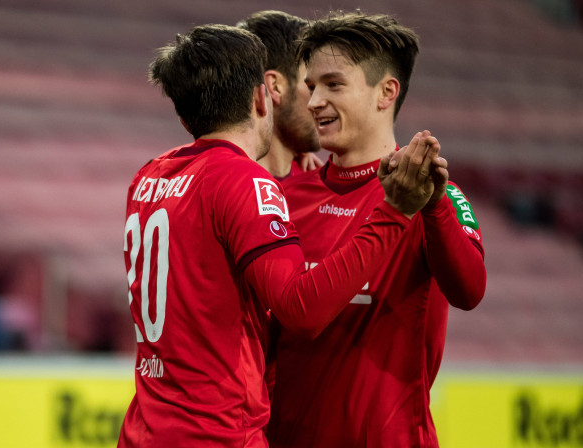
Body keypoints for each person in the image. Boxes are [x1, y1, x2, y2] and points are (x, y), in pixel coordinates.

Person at [119, 23, 445, 447]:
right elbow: (300, 309)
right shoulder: (244, 182)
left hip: (145, 428)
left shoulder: (149, 175)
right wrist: (394, 212)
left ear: (184, 115)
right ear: (262, 97)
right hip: (217, 433)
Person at [266, 12, 487, 447]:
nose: (313, 102)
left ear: (386, 92)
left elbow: (470, 291)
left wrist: (432, 202)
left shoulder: (435, 197)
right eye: (311, 86)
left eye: (333, 85)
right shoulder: (284, 196)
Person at [237, 10, 323, 181]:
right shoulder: (221, 185)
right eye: (312, 85)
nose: (323, 100)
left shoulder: (318, 182)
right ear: (275, 86)